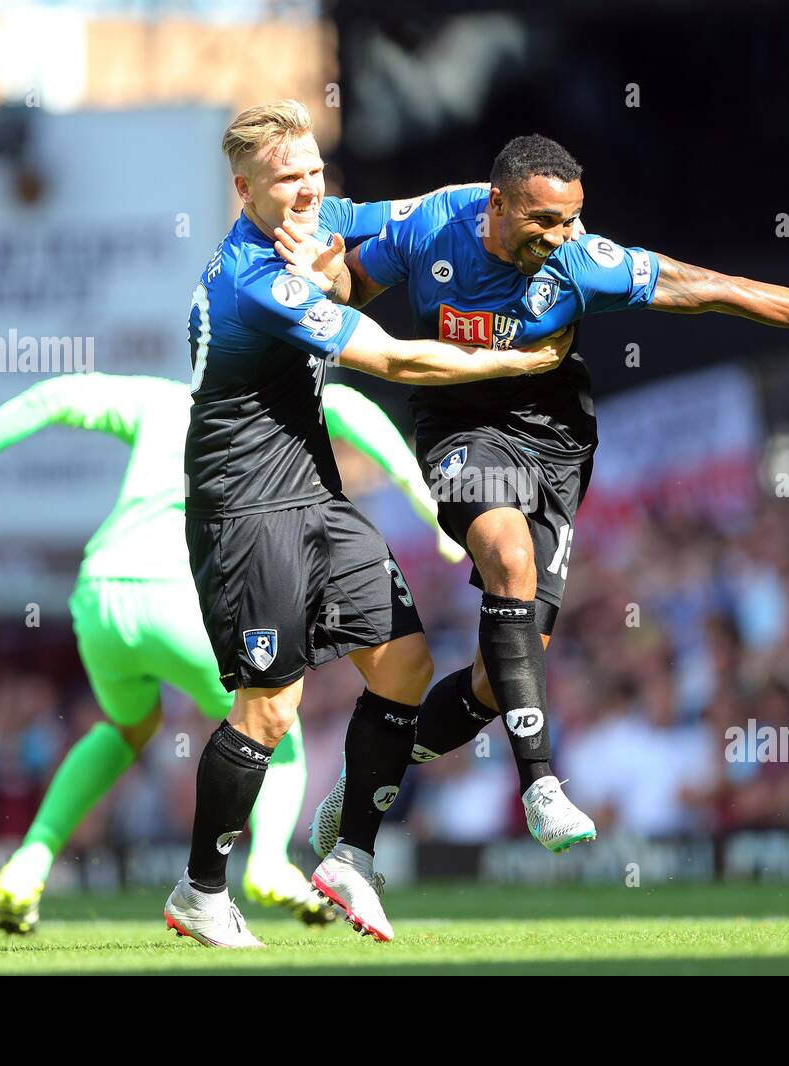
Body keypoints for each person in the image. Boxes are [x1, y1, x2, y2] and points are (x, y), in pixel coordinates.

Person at [282, 134, 789, 858]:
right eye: (545, 222)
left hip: (555, 440)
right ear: (497, 204)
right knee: (507, 555)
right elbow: (353, 279)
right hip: (461, 428)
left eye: (573, 218)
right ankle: (540, 784)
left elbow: (715, 290)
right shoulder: (433, 226)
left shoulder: (583, 262)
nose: (564, 236)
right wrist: (315, 288)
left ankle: (370, 769)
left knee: (498, 681)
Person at [168, 101, 570, 946]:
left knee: (406, 664)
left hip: (314, 496)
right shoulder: (253, 279)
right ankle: (202, 890)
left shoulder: (322, 217)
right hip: (245, 513)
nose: (310, 187)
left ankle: (350, 856)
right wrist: (514, 360)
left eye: (315, 169)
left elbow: (433, 205)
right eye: (288, 178)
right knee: (271, 711)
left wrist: (515, 207)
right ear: (245, 190)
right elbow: (393, 359)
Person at [0, 371, 460, 933]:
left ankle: (31, 860)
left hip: (102, 594)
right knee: (272, 720)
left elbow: (55, 395)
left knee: (126, 727)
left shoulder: (159, 400)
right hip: (177, 595)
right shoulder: (269, 398)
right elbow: (347, 405)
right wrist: (422, 496)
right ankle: (267, 863)